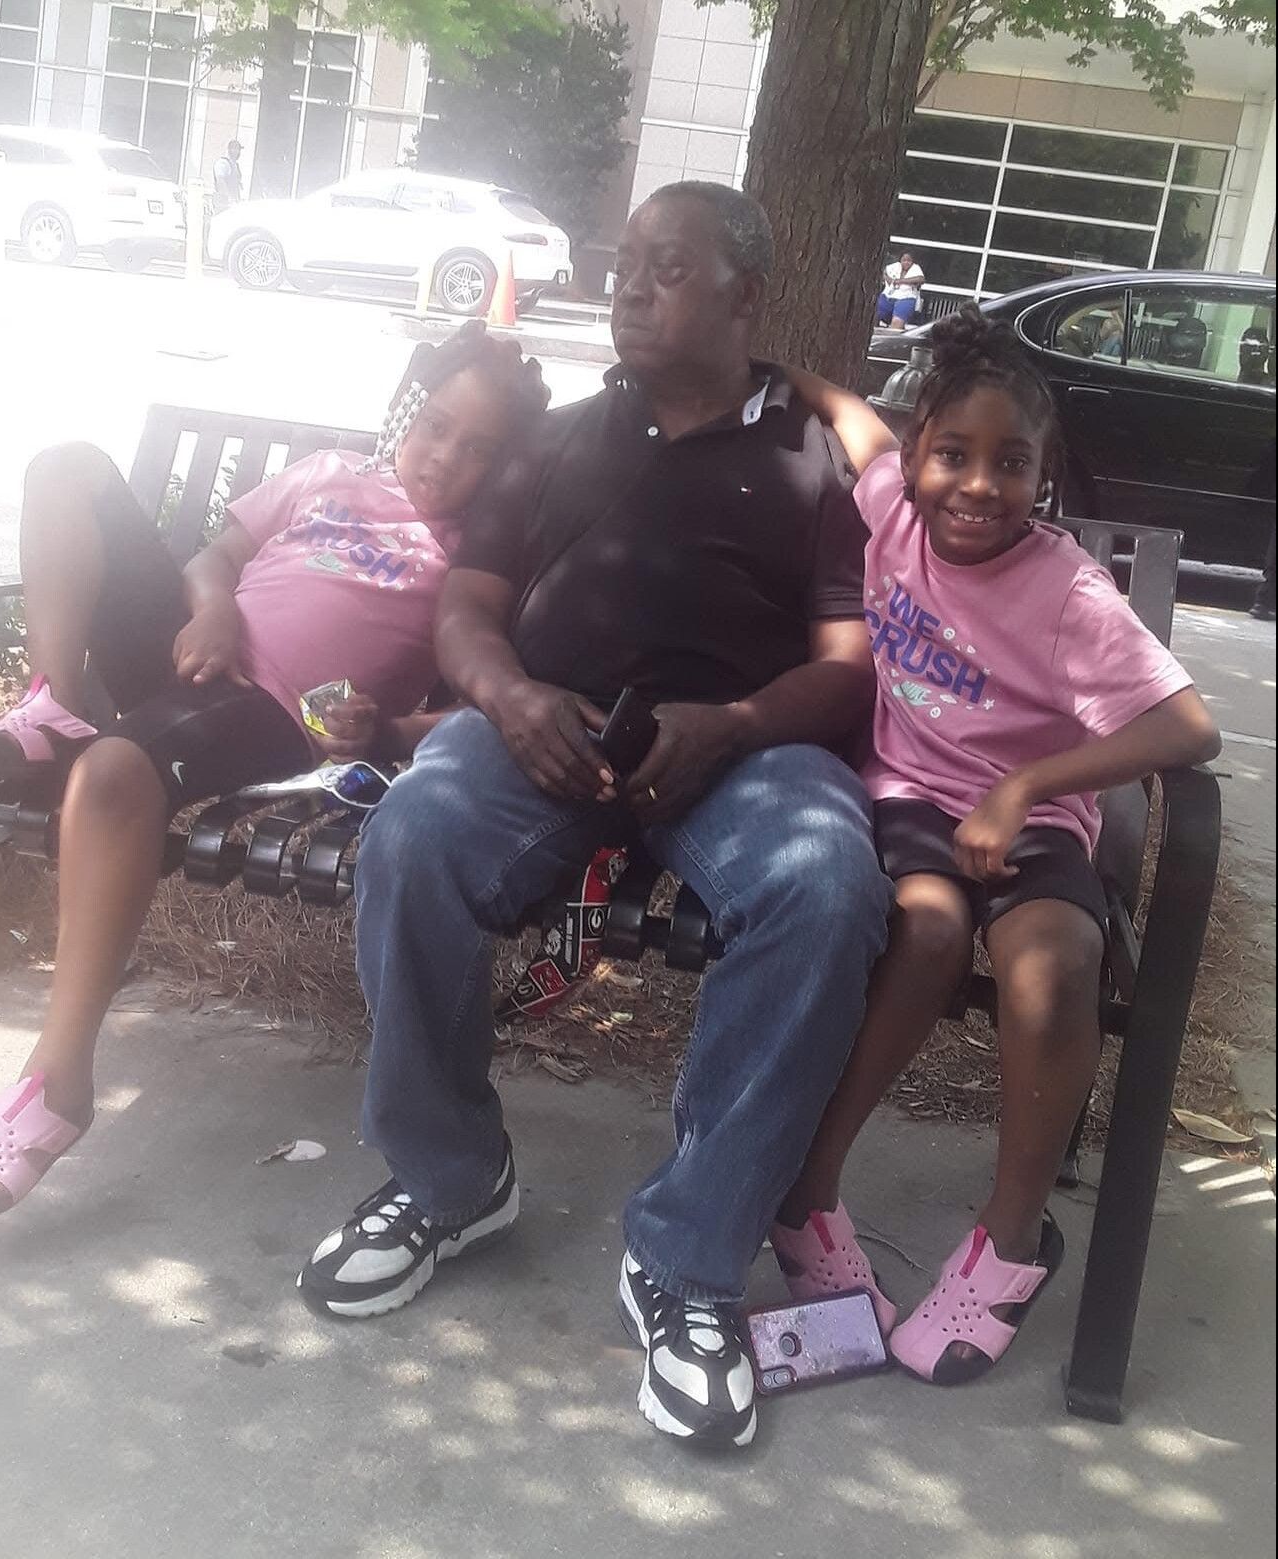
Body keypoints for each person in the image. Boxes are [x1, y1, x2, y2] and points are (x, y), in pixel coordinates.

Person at [296, 181, 894, 1451]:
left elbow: (847, 666)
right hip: (544, 731)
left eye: (666, 266)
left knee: (824, 883)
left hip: (744, 750)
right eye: (623, 260)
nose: (628, 285)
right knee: (416, 830)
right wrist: (507, 697)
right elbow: (467, 606)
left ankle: (687, 1256)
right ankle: (449, 1177)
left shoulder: (813, 463)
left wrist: (730, 724)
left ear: (743, 294)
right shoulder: (557, 438)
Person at [0, 321, 550, 1220]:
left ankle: (57, 1081)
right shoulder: (330, 473)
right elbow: (214, 559)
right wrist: (213, 608)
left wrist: (387, 730)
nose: (444, 456)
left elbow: (490, 693)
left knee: (113, 773)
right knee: (67, 468)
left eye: (477, 448)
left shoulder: (476, 559)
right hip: (193, 646)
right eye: (436, 426)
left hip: (271, 712)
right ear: (412, 413)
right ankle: (51, 701)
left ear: (507, 464)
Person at [768, 308, 1220, 1383]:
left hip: (1032, 817)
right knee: (923, 931)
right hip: (909, 795)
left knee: (1054, 962)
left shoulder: (1067, 592)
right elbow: (856, 422)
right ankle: (807, 1193)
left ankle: (1010, 1241)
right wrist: (782, 371)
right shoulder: (891, 508)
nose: (977, 485)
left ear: (1042, 474)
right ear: (919, 453)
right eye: (953, 455)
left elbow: (1187, 726)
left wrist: (1025, 785)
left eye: (1009, 463)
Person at [876, 252, 925, 331]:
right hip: (888, 296)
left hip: (906, 298)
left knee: (897, 323)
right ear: (900, 260)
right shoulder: (895, 266)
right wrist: (887, 278)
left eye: (909, 260)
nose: (906, 262)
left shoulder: (915, 268)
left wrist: (899, 281)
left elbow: (921, 279)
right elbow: (883, 271)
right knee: (873, 316)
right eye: (904, 260)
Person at [212, 140, 244, 212]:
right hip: (223, 203)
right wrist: (229, 199)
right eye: (236, 149)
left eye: (239, 150)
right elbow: (220, 181)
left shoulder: (235, 165)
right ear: (230, 149)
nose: (238, 152)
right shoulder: (223, 163)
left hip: (233, 202)